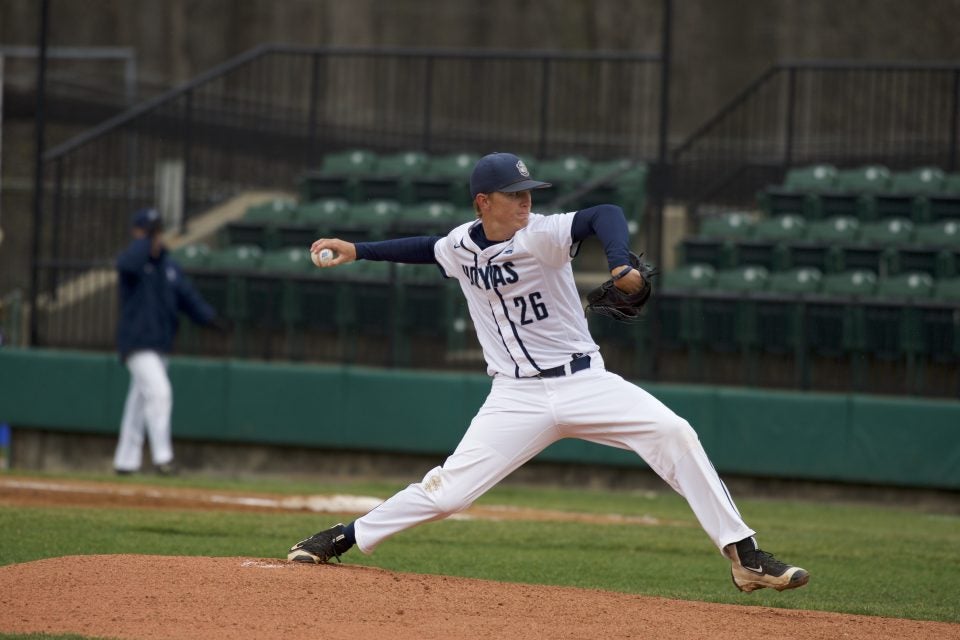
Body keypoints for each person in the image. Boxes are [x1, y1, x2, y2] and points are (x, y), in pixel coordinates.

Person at [288, 152, 809, 592]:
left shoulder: (542, 235)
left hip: (585, 383)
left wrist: (619, 262)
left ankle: (745, 557)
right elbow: (426, 249)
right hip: (515, 397)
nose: (526, 200)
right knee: (448, 493)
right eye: (514, 194)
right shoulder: (461, 246)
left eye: (528, 191)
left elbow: (604, 212)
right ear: (483, 203)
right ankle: (344, 537)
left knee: (675, 433)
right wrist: (357, 250)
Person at [113, 207, 223, 476]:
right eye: (150, 231)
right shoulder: (135, 263)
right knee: (160, 393)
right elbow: (125, 264)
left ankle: (125, 461)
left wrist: (210, 319)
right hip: (138, 344)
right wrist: (143, 242)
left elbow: (188, 298)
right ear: (138, 233)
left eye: (157, 231)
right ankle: (163, 458)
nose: (155, 237)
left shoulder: (168, 266)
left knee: (138, 403)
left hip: (160, 343)